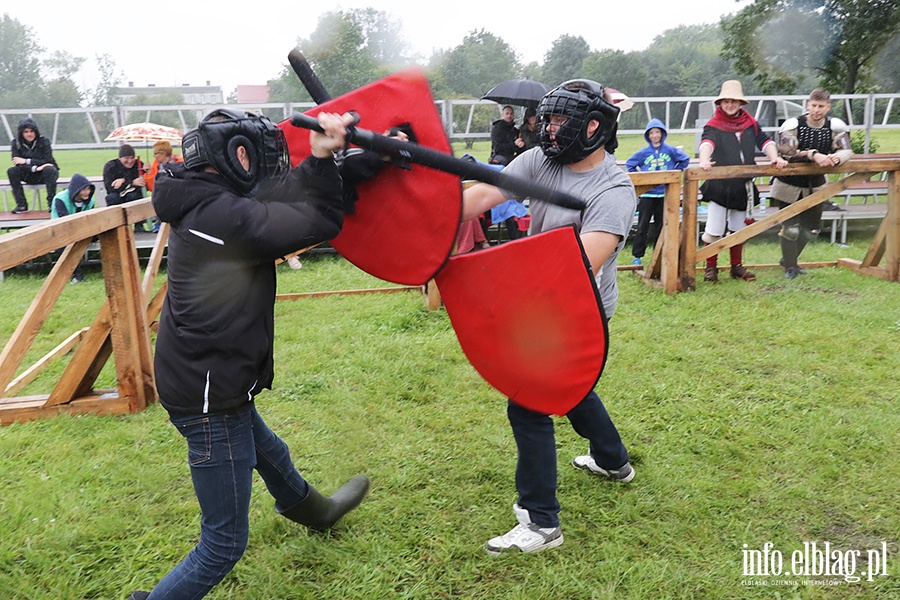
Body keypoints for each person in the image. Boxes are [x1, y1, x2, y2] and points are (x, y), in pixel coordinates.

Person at [127, 109, 370, 600]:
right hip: (208, 395)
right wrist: (325, 163)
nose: (262, 164)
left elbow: (275, 196)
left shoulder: (202, 195)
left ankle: (317, 513)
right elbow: (317, 218)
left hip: (207, 375)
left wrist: (349, 164)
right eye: (252, 155)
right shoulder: (222, 217)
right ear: (229, 158)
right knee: (222, 543)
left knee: (271, 453)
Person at [463, 79, 637, 554]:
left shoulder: (614, 190)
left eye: (562, 121)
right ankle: (613, 461)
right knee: (573, 389)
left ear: (593, 126)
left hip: (579, 305)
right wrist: (424, 208)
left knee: (530, 398)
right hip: (539, 296)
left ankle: (541, 523)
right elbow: (479, 198)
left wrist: (499, 288)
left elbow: (578, 268)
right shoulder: (540, 159)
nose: (550, 130)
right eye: (549, 120)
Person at [698, 80, 788, 282]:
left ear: (741, 103)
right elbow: (707, 142)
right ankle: (710, 268)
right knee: (714, 229)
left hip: (743, 186)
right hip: (720, 186)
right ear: (720, 103)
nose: (730, 105)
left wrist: (774, 157)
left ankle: (736, 267)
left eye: (734, 101)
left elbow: (765, 141)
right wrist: (704, 159)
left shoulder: (750, 124)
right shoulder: (713, 125)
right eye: (726, 101)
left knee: (739, 229)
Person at [771, 88, 852, 278]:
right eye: (814, 105)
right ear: (808, 105)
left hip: (815, 185)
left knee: (812, 230)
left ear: (828, 107)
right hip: (788, 185)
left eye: (821, 106)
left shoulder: (834, 126)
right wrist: (813, 154)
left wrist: (836, 158)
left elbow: (846, 149)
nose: (817, 110)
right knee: (790, 229)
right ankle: (791, 267)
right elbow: (787, 152)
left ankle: (788, 260)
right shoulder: (794, 124)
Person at [625, 118, 691, 265]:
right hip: (647, 194)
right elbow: (630, 164)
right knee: (642, 225)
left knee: (661, 226)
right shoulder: (643, 153)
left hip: (664, 194)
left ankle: (658, 254)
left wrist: (675, 171)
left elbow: (685, 159)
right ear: (648, 136)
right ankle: (637, 256)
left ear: (662, 134)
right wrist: (640, 178)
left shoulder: (670, 150)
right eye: (652, 133)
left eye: (657, 132)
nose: (655, 135)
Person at [50, 173, 95, 283]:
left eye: (88, 189)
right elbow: (64, 221)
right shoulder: (60, 199)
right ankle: (77, 275)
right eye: (84, 190)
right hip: (59, 230)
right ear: (76, 190)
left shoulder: (90, 201)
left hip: (80, 230)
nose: (87, 193)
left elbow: (90, 219)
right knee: (69, 243)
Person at [7, 117, 59, 214]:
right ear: (21, 133)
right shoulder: (16, 143)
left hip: (45, 174)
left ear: (36, 131)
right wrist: (35, 168)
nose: (29, 134)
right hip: (29, 173)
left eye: (31, 131)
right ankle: (21, 205)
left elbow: (48, 160)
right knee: (12, 171)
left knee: (50, 169)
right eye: (26, 132)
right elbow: (17, 162)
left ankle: (52, 203)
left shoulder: (44, 141)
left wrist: (26, 161)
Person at [143, 140, 184, 232]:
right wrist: (148, 173)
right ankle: (160, 223)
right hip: (163, 193)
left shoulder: (178, 161)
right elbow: (152, 186)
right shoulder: (156, 165)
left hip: (177, 191)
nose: (154, 156)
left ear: (163, 153)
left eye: (155, 153)